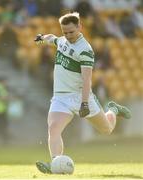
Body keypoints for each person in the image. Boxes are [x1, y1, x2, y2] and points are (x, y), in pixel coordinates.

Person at [34, 12, 131, 174]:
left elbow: (87, 80)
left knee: (106, 129)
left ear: (80, 27)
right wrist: (42, 37)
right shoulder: (63, 40)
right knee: (53, 128)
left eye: (71, 32)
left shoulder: (85, 50)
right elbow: (53, 38)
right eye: (65, 32)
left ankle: (113, 109)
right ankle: (55, 163)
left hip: (80, 96)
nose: (68, 35)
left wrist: (84, 102)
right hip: (60, 97)